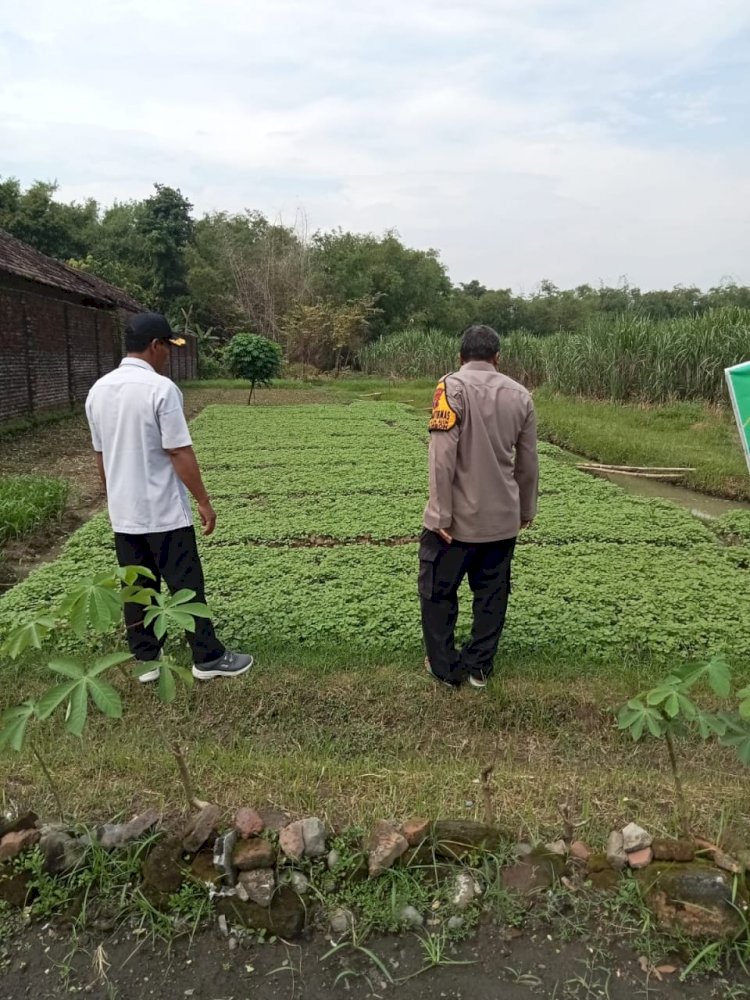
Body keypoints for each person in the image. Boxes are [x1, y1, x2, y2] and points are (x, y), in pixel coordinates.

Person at [85, 312, 253, 681]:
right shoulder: (161, 390)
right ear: (155, 346)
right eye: (167, 348)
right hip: (163, 511)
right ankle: (207, 658)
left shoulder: (98, 391)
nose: (168, 357)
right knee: (185, 583)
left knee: (137, 587)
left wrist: (112, 499)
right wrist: (205, 501)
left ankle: (146, 659)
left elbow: (102, 457)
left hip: (124, 513)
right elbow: (179, 452)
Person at [420, 324, 539, 689]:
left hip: (455, 523)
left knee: (438, 591)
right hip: (502, 521)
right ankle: (479, 668)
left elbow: (442, 455)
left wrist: (439, 513)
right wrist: (525, 510)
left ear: (461, 356)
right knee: (492, 594)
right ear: (497, 358)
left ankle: (444, 668)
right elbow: (528, 461)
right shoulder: (521, 396)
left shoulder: (451, 387)